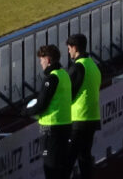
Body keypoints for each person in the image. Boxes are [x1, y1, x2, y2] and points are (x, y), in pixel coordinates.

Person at [24, 43, 72, 179]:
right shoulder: (64, 74)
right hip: (65, 125)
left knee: (51, 168)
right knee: (62, 168)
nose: (40, 63)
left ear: (48, 60)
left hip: (51, 128)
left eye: (41, 60)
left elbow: (41, 104)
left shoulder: (52, 78)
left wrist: (25, 112)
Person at [65, 33, 102, 179]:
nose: (68, 51)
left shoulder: (78, 67)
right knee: (84, 157)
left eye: (69, 48)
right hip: (92, 118)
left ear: (75, 48)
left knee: (68, 159)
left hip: (78, 119)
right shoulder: (93, 65)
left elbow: (67, 94)